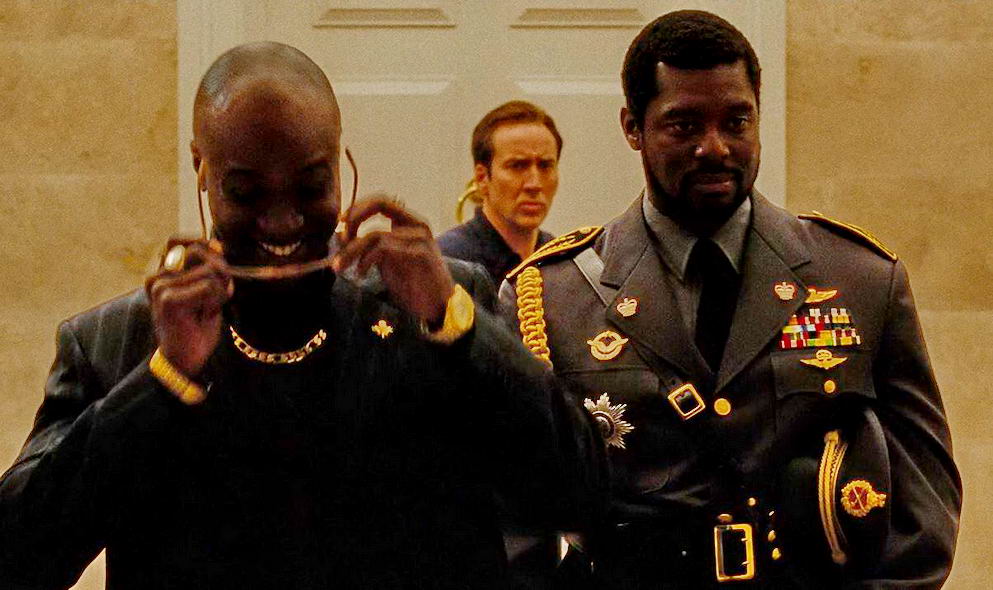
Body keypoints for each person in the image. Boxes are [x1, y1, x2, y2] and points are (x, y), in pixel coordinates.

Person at [0, 42, 604, 589]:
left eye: (312, 186)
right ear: (201, 168)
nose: (283, 220)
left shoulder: (436, 307)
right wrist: (162, 381)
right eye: (246, 192)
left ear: (342, 165)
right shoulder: (115, 341)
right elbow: (18, 559)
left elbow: (578, 493)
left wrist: (457, 326)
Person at [500, 10, 961, 589]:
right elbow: (515, 513)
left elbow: (924, 506)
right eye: (684, 125)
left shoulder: (860, 279)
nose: (714, 148)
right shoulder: (551, 298)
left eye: (736, 122)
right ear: (633, 127)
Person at [438, 101, 561, 286]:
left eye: (545, 166)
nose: (534, 184)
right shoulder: (447, 264)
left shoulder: (563, 262)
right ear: (482, 178)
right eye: (517, 166)